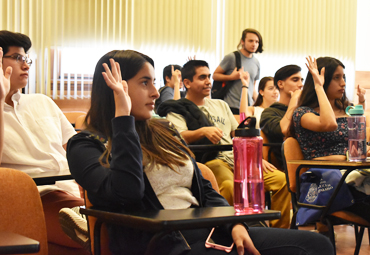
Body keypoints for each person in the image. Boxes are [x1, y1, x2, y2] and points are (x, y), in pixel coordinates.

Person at [66, 50, 334, 255]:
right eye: (144, 83)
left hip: (209, 231)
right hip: (161, 243)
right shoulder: (87, 146)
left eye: (153, 82)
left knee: (316, 245)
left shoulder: (163, 132)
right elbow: (127, 192)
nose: (155, 93)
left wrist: (233, 224)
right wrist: (122, 118)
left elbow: (205, 191)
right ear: (117, 89)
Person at [158, 60, 291, 229]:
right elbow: (178, 137)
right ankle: (234, 232)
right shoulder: (177, 109)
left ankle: (277, 233)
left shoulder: (221, 105)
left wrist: (255, 158)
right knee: (229, 186)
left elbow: (238, 133)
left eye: (208, 76)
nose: (208, 81)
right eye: (202, 77)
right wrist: (202, 131)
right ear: (187, 83)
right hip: (213, 160)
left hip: (238, 158)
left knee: (282, 181)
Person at [0, 30, 87, 253]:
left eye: (26, 58)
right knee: (113, 233)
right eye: (17, 58)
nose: (26, 65)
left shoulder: (42, 101)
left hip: (76, 188)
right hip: (37, 195)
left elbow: (75, 149)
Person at [290, 56, 370, 224]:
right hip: (327, 181)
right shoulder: (303, 113)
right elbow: (329, 123)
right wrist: (319, 86)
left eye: (343, 77)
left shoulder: (345, 110)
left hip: (353, 175)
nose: (343, 83)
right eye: (336, 78)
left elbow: (358, 141)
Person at [260, 65, 303, 167]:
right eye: (295, 80)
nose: (301, 85)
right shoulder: (269, 113)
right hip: (287, 166)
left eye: (302, 80)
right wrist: (294, 101)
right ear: (280, 84)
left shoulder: (304, 110)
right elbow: (284, 130)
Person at [213, 28, 262, 115]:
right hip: (231, 106)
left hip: (248, 108)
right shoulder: (232, 57)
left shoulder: (256, 63)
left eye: (256, 42)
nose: (254, 44)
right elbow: (215, 75)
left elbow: (252, 87)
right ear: (242, 42)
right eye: (251, 41)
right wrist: (231, 77)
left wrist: (260, 104)